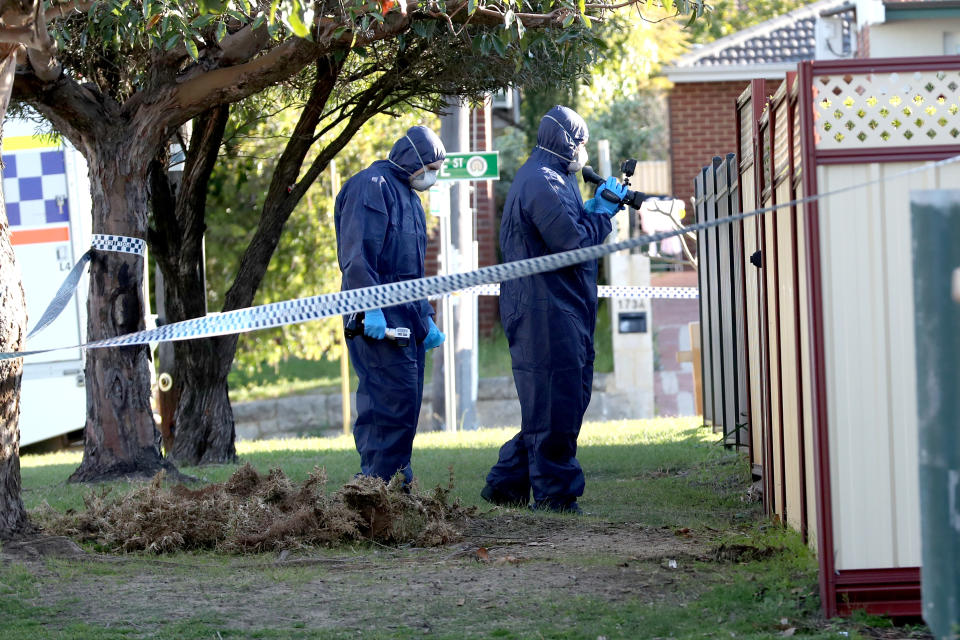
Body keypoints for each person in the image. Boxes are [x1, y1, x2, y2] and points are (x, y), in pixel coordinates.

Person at [481, 105, 627, 514]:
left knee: (560, 402)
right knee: (555, 406)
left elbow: (573, 236)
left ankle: (507, 483)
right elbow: (575, 245)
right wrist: (601, 213)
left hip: (564, 309)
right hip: (542, 313)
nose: (582, 151)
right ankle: (555, 496)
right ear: (566, 140)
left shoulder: (557, 179)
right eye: (580, 142)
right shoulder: (541, 181)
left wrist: (596, 210)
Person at [334, 125, 447, 486]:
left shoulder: (411, 200)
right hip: (376, 322)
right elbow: (357, 256)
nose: (433, 177)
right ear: (415, 160)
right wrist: (370, 308)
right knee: (385, 407)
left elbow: (411, 271)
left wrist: (425, 317)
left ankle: (396, 487)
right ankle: (374, 490)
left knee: (405, 406)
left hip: (405, 321)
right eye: (431, 167)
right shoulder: (372, 187)